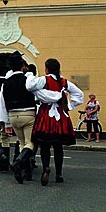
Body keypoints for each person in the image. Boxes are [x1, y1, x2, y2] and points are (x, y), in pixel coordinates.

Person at [27, 58, 84, 186]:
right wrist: (69, 106)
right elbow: (79, 95)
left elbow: (30, 86)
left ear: (47, 68)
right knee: (58, 146)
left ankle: (46, 168)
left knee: (44, 144)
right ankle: (59, 174)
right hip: (60, 114)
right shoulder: (64, 82)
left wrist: (40, 92)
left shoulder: (44, 79)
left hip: (46, 113)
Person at [0, 52, 37, 184]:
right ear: (22, 66)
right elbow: (37, 96)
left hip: (13, 115)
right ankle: (19, 162)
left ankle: (25, 171)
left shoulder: (6, 83)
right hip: (28, 113)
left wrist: (6, 123)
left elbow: (2, 103)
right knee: (30, 143)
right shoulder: (28, 80)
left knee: (21, 142)